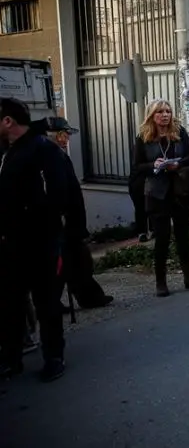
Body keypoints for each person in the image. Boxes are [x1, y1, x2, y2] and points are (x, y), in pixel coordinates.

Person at [0, 98, 69, 382]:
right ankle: (11, 358)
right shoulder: (7, 150)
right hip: (10, 242)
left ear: (8, 121)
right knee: (11, 303)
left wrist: (48, 231)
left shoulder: (42, 149)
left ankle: (54, 356)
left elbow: (58, 194)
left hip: (40, 241)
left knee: (46, 302)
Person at [38, 117, 113, 311]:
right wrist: (60, 213)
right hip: (63, 219)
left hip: (70, 218)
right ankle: (80, 299)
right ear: (51, 135)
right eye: (62, 135)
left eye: (66, 135)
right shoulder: (48, 157)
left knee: (72, 261)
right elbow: (54, 189)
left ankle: (69, 299)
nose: (66, 139)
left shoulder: (57, 155)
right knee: (71, 261)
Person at [132, 100, 189, 297]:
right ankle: (161, 282)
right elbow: (137, 166)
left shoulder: (179, 132)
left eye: (168, 111)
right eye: (160, 112)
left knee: (183, 236)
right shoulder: (143, 137)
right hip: (157, 193)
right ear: (151, 115)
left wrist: (177, 164)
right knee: (162, 238)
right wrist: (153, 165)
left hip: (180, 190)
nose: (165, 115)